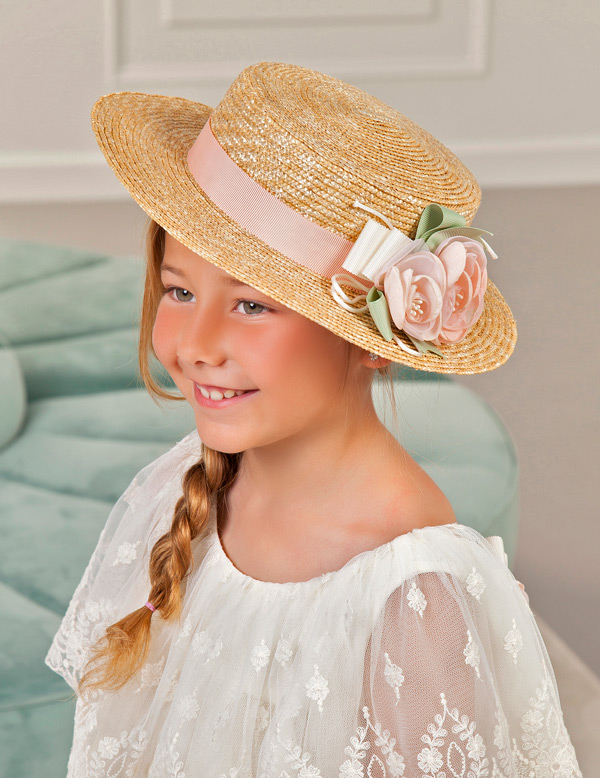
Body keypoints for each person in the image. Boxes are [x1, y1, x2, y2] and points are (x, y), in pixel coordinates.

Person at [45, 62, 580, 777]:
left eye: (252, 305)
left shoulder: (412, 594)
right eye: (178, 290)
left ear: (369, 343)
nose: (196, 345)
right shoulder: (184, 486)